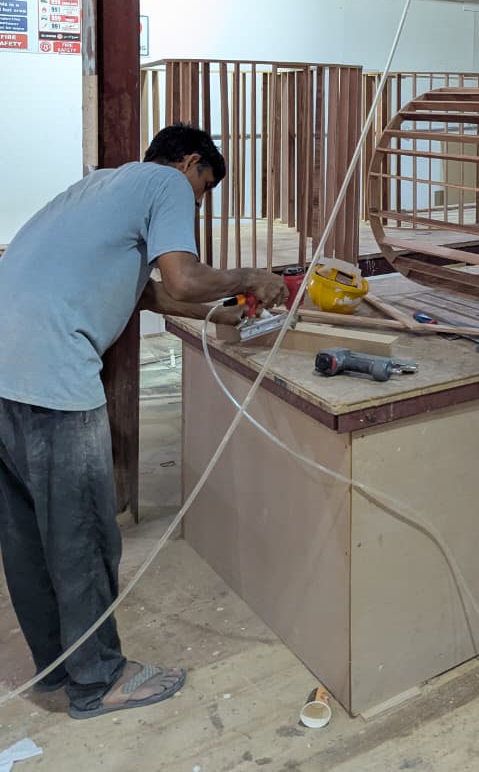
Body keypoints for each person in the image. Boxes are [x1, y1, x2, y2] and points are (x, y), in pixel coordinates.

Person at [0, 123, 288, 719]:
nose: (196, 204)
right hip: (54, 376)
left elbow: (152, 293)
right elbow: (182, 275)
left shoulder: (99, 188)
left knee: (26, 533)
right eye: (203, 190)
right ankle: (99, 680)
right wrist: (251, 277)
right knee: (82, 534)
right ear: (190, 164)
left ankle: (57, 666)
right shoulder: (167, 184)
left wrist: (221, 316)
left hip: (6, 373)